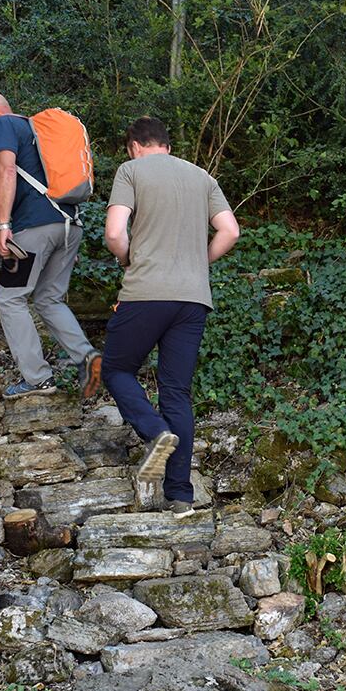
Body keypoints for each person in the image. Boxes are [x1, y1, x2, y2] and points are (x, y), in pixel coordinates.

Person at [102, 116, 240, 516]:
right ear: (166, 143)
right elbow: (229, 231)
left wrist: (128, 259)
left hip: (146, 292)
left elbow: (114, 233)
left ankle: (155, 430)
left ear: (134, 146)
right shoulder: (202, 177)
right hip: (193, 298)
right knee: (177, 390)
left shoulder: (131, 171)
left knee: (116, 370)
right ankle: (180, 496)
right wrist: (200, 263)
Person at [0, 91, 102, 399]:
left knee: (9, 299)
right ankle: (85, 355)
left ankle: (37, 378)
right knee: (48, 299)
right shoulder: (36, 131)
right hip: (69, 226)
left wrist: (4, 224)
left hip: (34, 229)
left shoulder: (1, 124)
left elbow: (6, 170)